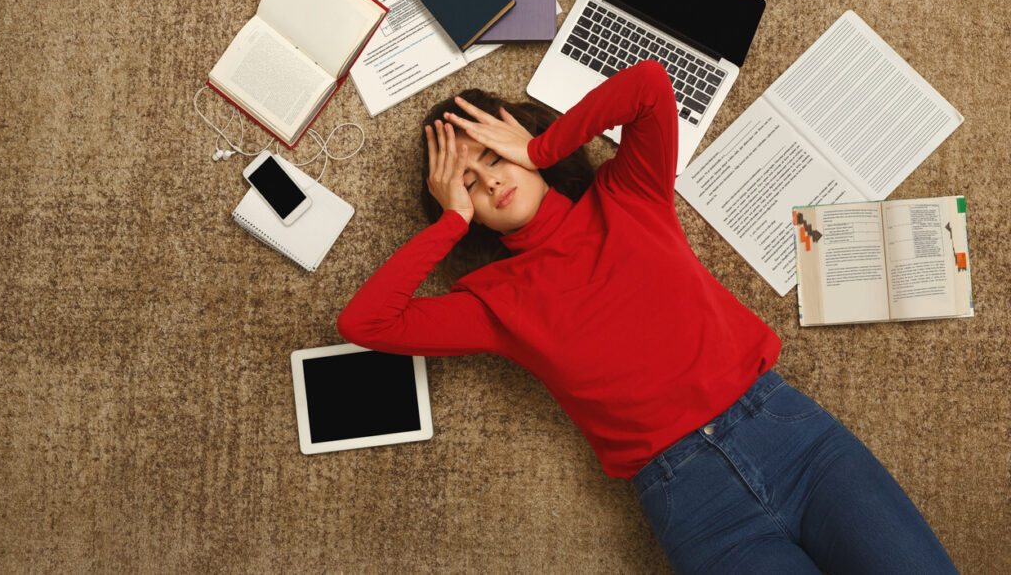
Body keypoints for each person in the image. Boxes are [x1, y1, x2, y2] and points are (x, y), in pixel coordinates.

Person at [337, 61, 958, 574]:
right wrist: (449, 223)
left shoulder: (626, 191)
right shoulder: (490, 302)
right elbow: (367, 324)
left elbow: (651, 87)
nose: (490, 180)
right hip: (694, 503)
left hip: (793, 440)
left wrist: (537, 143)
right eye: (467, 182)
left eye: (493, 157)